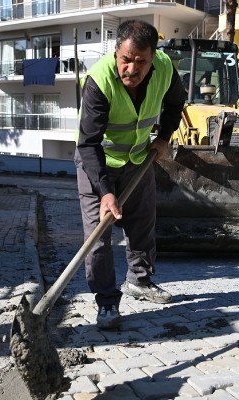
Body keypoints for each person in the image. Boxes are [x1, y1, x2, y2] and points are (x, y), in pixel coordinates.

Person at [74, 20, 187, 330]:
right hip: (96, 163)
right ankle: (107, 302)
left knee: (142, 223)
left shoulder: (164, 68)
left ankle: (139, 280)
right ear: (116, 53)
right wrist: (106, 192)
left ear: (152, 57)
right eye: (126, 59)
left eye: (141, 61)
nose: (132, 69)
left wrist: (164, 136)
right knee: (98, 235)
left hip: (137, 158)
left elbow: (176, 101)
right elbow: (89, 143)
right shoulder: (99, 81)